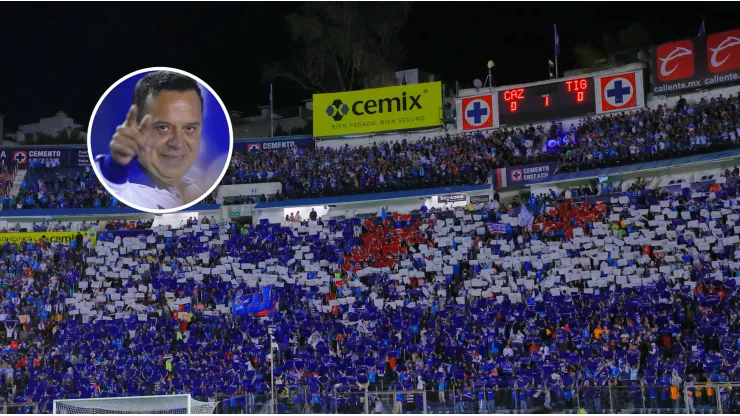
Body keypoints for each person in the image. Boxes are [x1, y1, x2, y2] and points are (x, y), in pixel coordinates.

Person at [95, 71, 205, 210]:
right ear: (137, 128)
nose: (178, 143)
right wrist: (116, 164)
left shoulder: (194, 189)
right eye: (163, 127)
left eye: (189, 128)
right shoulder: (127, 190)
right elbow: (112, 180)